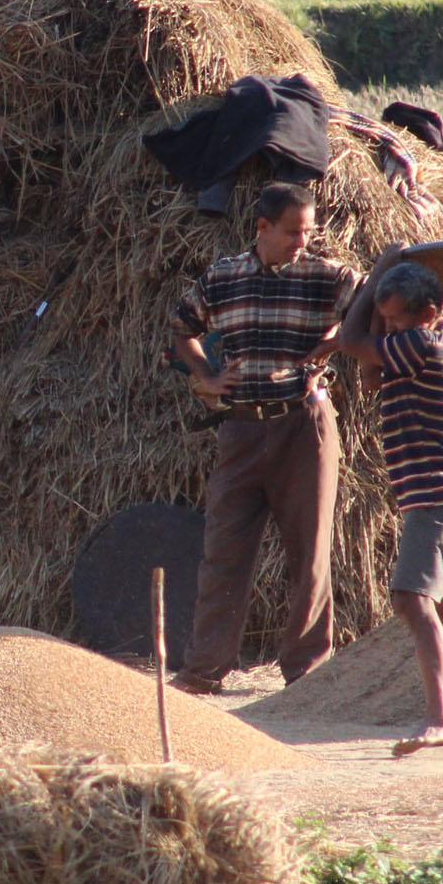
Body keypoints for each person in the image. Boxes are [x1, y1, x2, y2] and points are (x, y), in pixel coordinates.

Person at [169, 180, 360, 694]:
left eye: (309, 231)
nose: (303, 241)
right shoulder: (223, 277)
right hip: (241, 431)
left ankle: (306, 674)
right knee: (223, 552)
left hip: (304, 428)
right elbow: (182, 327)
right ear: (263, 227)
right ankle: (203, 671)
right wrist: (207, 376)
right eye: (294, 232)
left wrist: (332, 344)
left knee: (309, 553)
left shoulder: (329, 277)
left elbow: (374, 311)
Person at [326, 255, 443, 757]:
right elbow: (371, 377)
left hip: (438, 496)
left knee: (411, 599)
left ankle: (441, 717)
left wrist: (376, 274)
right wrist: (382, 317)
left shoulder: (424, 345)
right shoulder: (426, 344)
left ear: (430, 313)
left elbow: (350, 341)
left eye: (398, 319)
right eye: (389, 321)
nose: (392, 328)